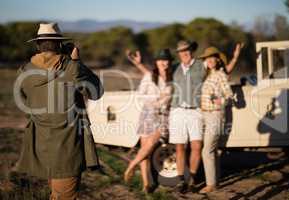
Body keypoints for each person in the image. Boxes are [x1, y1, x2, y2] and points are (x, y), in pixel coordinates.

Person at [14, 22, 104, 199]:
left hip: (41, 146)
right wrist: (77, 62)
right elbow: (97, 91)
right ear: (60, 44)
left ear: (38, 45)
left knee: (56, 194)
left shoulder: (24, 71)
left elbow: (23, 103)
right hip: (68, 148)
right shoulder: (72, 68)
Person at [169, 40, 241, 193]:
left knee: (204, 149)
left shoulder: (208, 69)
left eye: (187, 50)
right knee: (203, 149)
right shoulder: (204, 72)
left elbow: (226, 76)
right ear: (179, 54)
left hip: (209, 114)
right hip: (199, 113)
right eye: (181, 51)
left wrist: (235, 58)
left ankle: (205, 183)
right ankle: (202, 181)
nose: (185, 53)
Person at [123, 49, 173, 193]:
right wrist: (155, 99)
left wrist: (161, 99)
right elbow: (141, 94)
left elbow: (169, 97)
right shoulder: (150, 76)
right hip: (147, 113)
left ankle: (131, 166)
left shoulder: (172, 77)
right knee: (145, 151)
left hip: (163, 116)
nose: (164, 62)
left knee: (150, 144)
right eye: (161, 60)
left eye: (167, 60)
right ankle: (146, 184)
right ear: (156, 62)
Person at [199, 47, 234, 193]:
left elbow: (229, 95)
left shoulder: (220, 75)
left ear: (218, 59)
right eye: (207, 58)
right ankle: (215, 181)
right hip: (205, 115)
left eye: (212, 57)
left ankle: (211, 184)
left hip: (215, 115)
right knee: (212, 150)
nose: (210, 60)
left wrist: (218, 100)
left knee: (207, 151)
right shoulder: (208, 75)